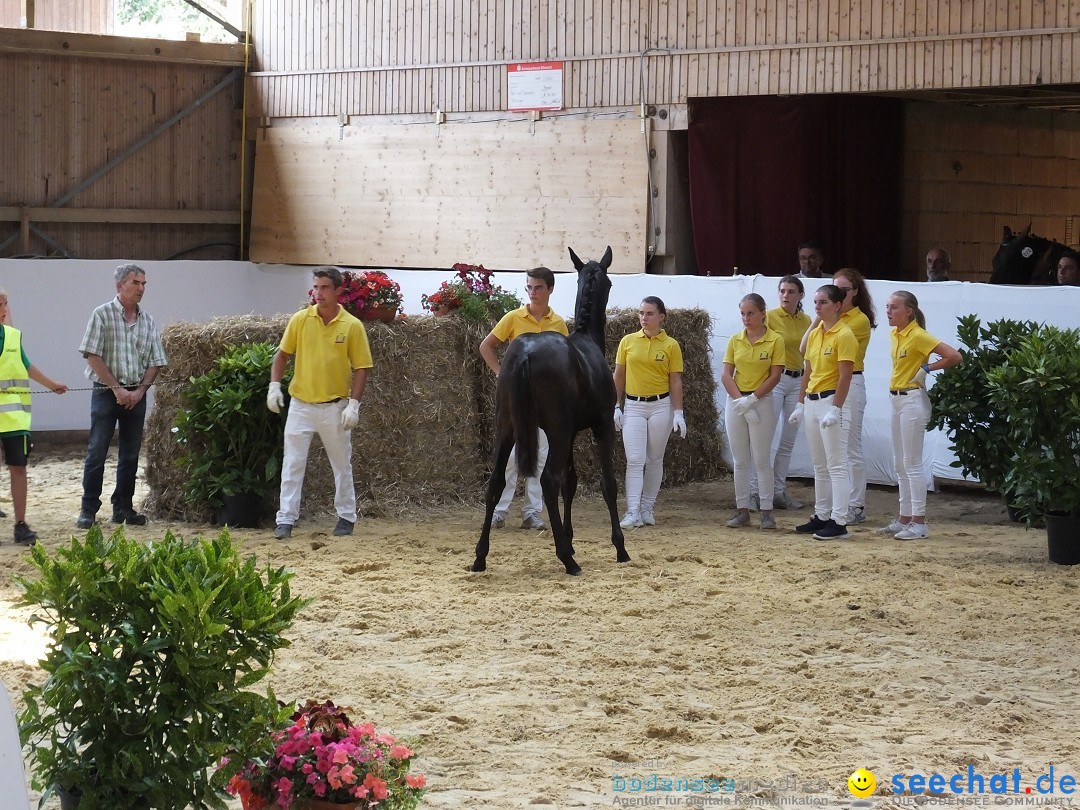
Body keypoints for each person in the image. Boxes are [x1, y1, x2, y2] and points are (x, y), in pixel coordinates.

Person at [267, 267, 372, 539]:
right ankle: (286, 519)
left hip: (334, 406)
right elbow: (282, 355)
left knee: (341, 464)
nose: (319, 293)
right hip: (301, 404)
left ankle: (346, 517)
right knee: (292, 463)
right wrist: (274, 386)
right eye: (316, 287)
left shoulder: (352, 326)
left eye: (325, 287)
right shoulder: (301, 320)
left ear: (338, 290)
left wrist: (353, 404)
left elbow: (362, 367)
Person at [77, 264, 167, 529]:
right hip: (106, 393)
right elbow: (92, 355)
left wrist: (140, 391)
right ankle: (88, 509)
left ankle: (123, 508)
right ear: (120, 286)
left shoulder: (148, 320)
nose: (141, 288)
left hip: (136, 395)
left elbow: (156, 360)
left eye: (143, 284)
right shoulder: (102, 315)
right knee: (97, 451)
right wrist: (117, 389)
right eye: (136, 283)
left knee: (130, 453)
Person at [479, 266, 568, 530]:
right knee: (509, 457)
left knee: (540, 455)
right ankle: (499, 510)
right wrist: (501, 375)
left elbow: (565, 360)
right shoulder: (514, 318)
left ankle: (532, 512)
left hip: (545, 403)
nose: (532, 292)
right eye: (529, 287)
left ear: (550, 289)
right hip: (518, 399)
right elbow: (486, 346)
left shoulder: (558, 324)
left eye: (538, 287)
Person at [881, 291, 962, 540]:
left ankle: (919, 520)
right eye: (887, 307)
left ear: (909, 311)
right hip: (897, 398)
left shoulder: (917, 335)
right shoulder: (895, 334)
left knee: (911, 462)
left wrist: (927, 368)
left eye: (894, 307)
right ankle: (905, 517)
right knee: (900, 462)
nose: (889, 312)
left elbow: (954, 356)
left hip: (912, 400)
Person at [0, 289, 68, 544]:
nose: (5, 310)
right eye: (1, 304)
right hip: (10, 418)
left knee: (18, 469)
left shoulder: (13, 337)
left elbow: (26, 365)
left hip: (14, 419)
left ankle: (20, 525)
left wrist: (51, 384)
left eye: (5, 304)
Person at [789, 284, 856, 540]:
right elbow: (807, 367)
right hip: (813, 400)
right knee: (819, 465)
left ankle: (839, 521)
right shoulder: (817, 333)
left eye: (823, 302)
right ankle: (822, 515)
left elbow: (845, 376)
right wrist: (800, 402)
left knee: (836, 465)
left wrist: (836, 409)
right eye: (815, 302)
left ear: (837, 305)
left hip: (831, 401)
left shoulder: (844, 334)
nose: (817, 307)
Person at [613, 296, 686, 528]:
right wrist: (615, 405)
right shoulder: (627, 341)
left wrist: (678, 412)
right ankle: (632, 510)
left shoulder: (670, 345)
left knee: (655, 458)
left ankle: (647, 507)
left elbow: (675, 380)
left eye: (650, 313)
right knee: (635, 459)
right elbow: (619, 376)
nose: (644, 318)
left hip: (660, 405)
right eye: (641, 313)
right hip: (633, 405)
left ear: (661, 316)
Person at [721, 294, 785, 530]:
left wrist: (753, 399)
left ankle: (766, 511)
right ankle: (742, 509)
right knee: (740, 459)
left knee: (761, 458)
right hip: (737, 400)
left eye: (750, 313)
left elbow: (775, 375)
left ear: (762, 314)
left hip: (761, 399)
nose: (746, 318)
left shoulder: (774, 340)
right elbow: (726, 374)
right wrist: (740, 402)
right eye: (743, 314)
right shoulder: (735, 340)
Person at [752, 275, 812, 510]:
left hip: (798, 379)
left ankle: (778, 491)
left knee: (787, 440)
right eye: (782, 291)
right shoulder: (770, 317)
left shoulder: (806, 320)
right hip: (776, 379)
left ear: (800, 295)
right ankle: (756, 492)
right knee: (764, 439)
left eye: (791, 291)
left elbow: (807, 353)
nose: (786, 296)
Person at [831, 268, 876, 525]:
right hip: (832, 381)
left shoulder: (857, 320)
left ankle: (856, 505)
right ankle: (840, 502)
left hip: (852, 381)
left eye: (844, 290)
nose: (839, 294)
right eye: (835, 289)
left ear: (855, 292)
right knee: (836, 447)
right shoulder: (833, 317)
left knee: (851, 447)